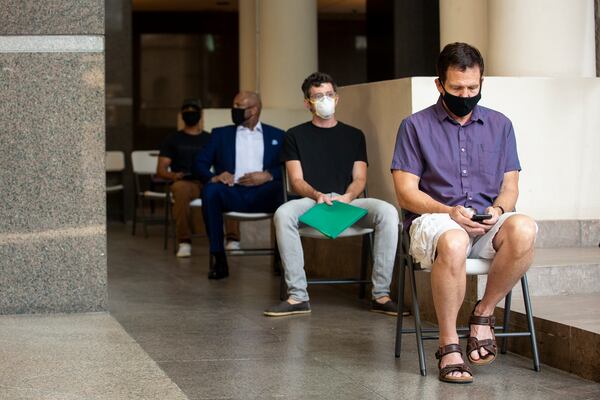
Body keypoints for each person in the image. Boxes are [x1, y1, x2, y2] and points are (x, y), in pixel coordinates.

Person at [391, 42, 538, 384]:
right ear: (439, 84)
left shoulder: (501, 125)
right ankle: (449, 344)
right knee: (455, 241)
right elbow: (406, 193)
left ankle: (483, 314)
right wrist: (449, 212)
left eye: (474, 87)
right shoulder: (415, 126)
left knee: (524, 228)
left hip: (486, 218)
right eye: (457, 88)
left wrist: (498, 209)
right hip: (434, 219)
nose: (466, 94)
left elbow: (510, 187)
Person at [264, 72, 400, 317]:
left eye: (328, 94)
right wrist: (317, 195)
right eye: (317, 96)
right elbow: (296, 180)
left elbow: (360, 178)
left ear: (337, 99)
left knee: (388, 212)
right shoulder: (294, 135)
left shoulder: (354, 135)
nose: (324, 100)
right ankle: (298, 296)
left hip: (346, 204)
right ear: (307, 103)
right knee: (283, 213)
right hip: (311, 203)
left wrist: (347, 197)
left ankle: (381, 295)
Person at [193, 91, 285, 279]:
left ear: (254, 109)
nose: (233, 110)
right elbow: (199, 163)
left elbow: (287, 168)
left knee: (283, 192)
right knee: (210, 191)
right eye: (233, 106)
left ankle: (281, 258)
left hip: (264, 194)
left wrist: (268, 175)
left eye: (239, 107)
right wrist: (215, 176)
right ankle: (219, 258)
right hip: (232, 193)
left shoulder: (278, 135)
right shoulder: (220, 134)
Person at [157, 98, 240, 258]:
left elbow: (221, 163)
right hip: (186, 182)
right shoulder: (173, 139)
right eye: (186, 112)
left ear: (200, 115)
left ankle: (232, 239)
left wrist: (221, 176)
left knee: (229, 187)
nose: (190, 115)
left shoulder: (210, 138)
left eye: (193, 112)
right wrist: (174, 175)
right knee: (179, 189)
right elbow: (161, 170)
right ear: (182, 116)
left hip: (209, 180)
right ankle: (184, 241)